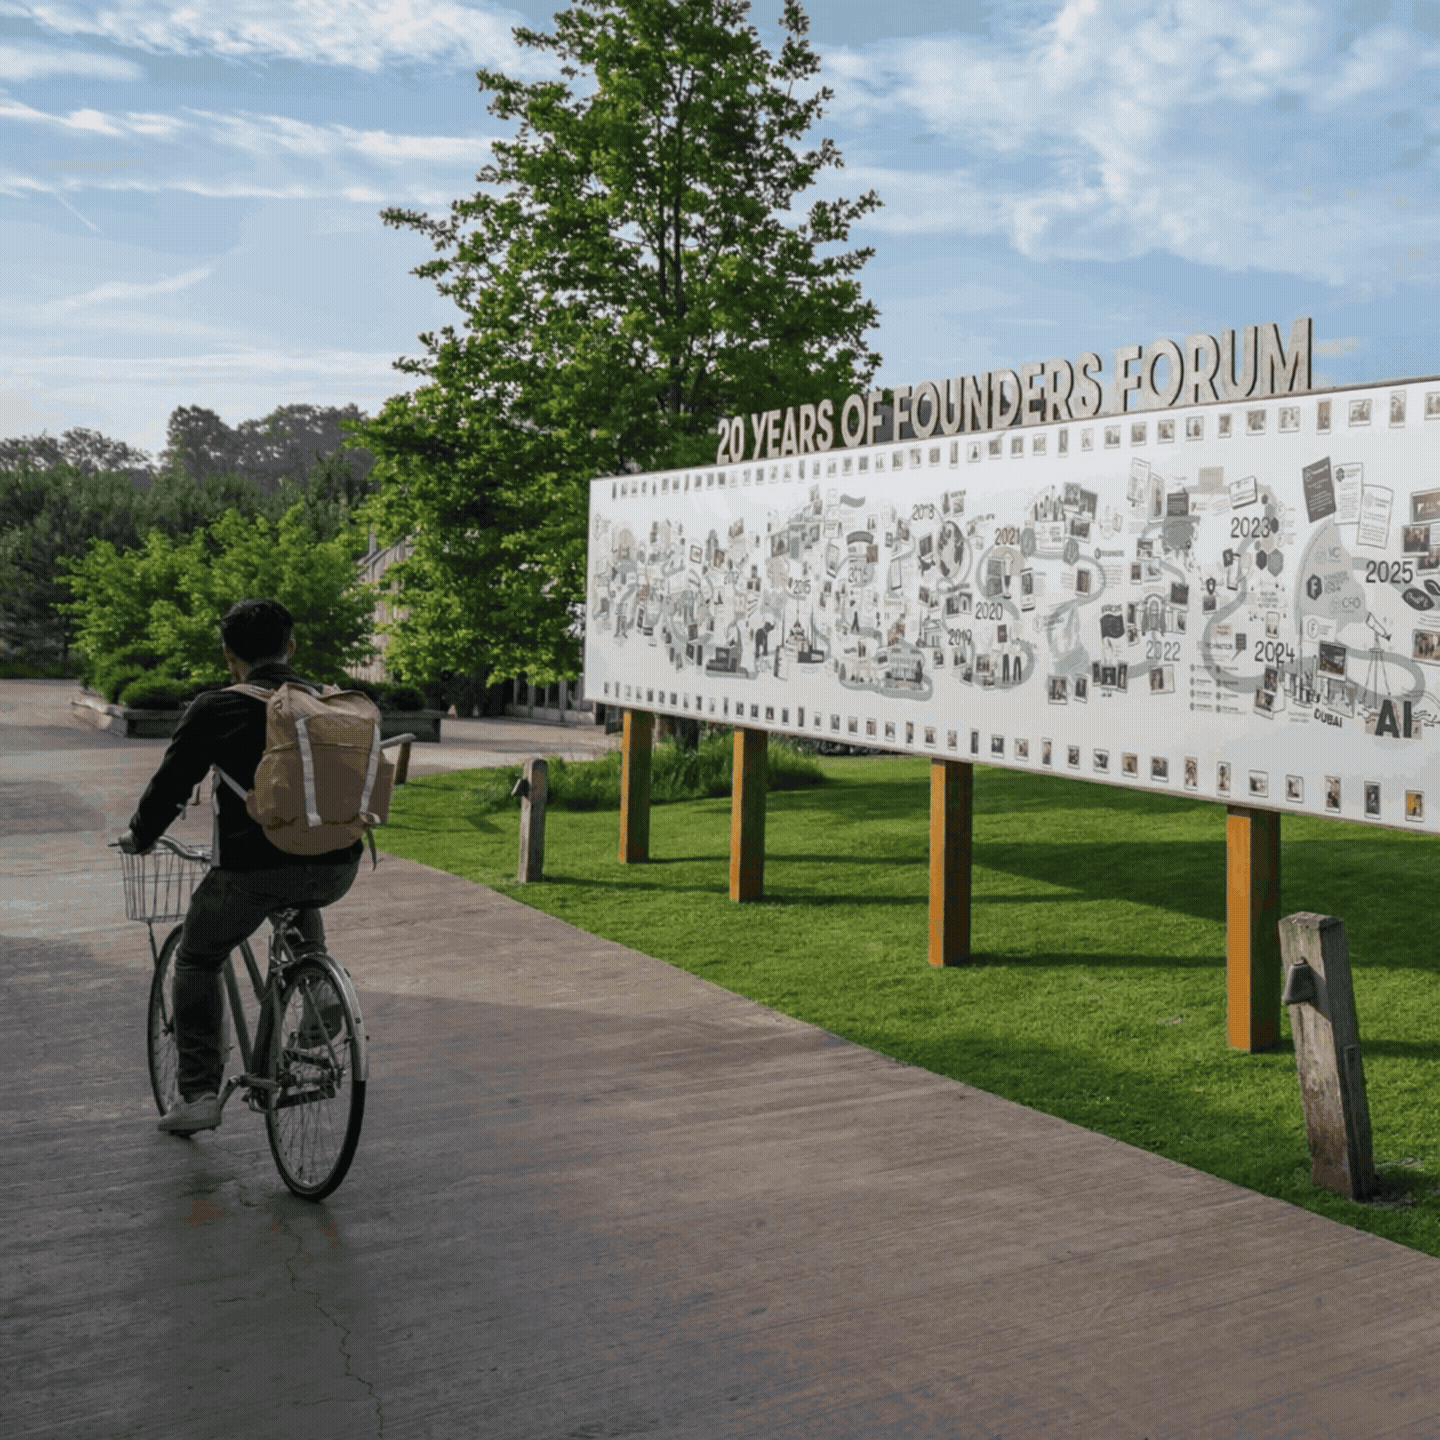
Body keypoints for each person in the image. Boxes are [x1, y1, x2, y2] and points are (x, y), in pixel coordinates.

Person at [119, 598, 363, 1136]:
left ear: (230, 655)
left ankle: (199, 1094)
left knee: (197, 957)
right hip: (338, 864)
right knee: (297, 890)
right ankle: (318, 985)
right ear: (291, 648)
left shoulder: (216, 708)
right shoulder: (329, 701)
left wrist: (139, 836)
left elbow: (170, 786)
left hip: (254, 869)